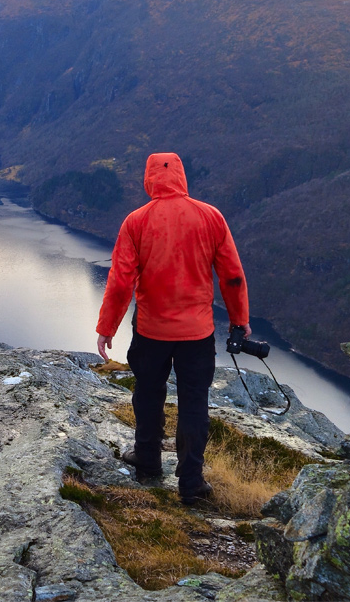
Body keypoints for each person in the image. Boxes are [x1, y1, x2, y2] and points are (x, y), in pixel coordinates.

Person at [94, 152, 250, 505]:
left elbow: (121, 282)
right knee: (194, 403)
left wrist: (107, 327)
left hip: (151, 331)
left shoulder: (136, 221)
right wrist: (240, 321)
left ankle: (148, 461)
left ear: (149, 179)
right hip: (197, 334)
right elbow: (232, 276)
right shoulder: (211, 217)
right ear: (182, 176)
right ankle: (192, 483)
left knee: (148, 394)